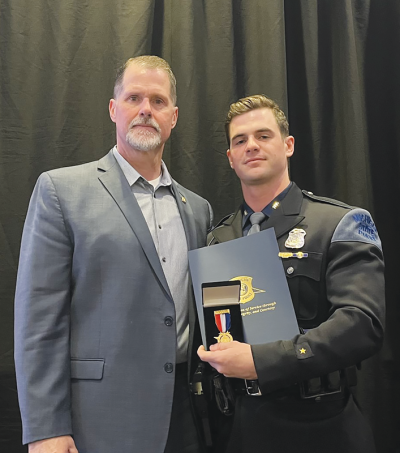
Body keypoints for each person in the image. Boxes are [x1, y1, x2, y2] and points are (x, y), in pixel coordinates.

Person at [14, 55, 213, 453]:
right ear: (113, 109)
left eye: (157, 101)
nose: (145, 110)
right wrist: (45, 428)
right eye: (133, 98)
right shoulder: (61, 191)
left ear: (173, 117)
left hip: (186, 420)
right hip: (98, 421)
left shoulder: (198, 209)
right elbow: (39, 320)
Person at [198, 94, 384, 453]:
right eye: (240, 140)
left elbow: (362, 325)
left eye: (263, 135)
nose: (251, 146)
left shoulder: (338, 222)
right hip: (239, 429)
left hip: (321, 427)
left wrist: (261, 361)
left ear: (288, 145)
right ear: (230, 159)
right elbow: (223, 327)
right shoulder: (217, 240)